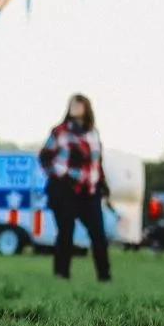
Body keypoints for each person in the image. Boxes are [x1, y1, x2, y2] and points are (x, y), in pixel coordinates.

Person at [39, 94, 111, 282]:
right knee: (66, 232)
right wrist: (57, 175)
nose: (75, 106)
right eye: (72, 103)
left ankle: (105, 276)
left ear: (86, 108)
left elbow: (97, 162)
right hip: (64, 189)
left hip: (89, 191)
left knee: (99, 235)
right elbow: (44, 156)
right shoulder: (60, 131)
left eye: (79, 104)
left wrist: (102, 183)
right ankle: (61, 275)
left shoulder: (93, 133)